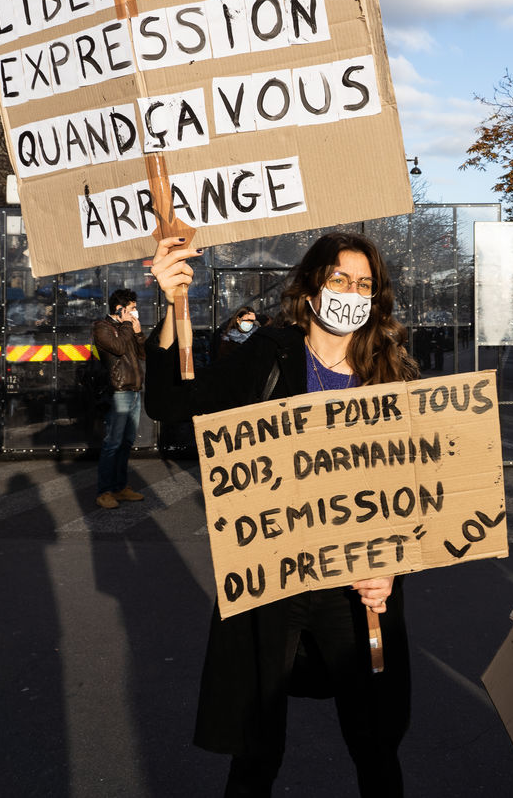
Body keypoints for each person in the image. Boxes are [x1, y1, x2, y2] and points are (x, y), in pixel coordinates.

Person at [144, 232, 417, 798]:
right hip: (273, 578)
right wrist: (171, 307)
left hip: (357, 584)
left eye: (363, 284)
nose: (351, 293)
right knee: (255, 749)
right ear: (311, 289)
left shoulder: (391, 372)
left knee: (375, 747)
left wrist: (395, 563)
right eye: (339, 279)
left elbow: (418, 486)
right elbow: (170, 403)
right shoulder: (271, 352)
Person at [92, 289, 146, 510]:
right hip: (119, 391)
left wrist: (139, 334)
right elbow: (118, 347)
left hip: (134, 389)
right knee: (113, 443)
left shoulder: (127, 328)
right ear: (120, 309)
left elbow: (142, 354)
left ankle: (120, 487)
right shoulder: (102, 327)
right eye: (132, 308)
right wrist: (127, 326)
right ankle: (104, 491)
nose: (135, 312)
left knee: (127, 442)